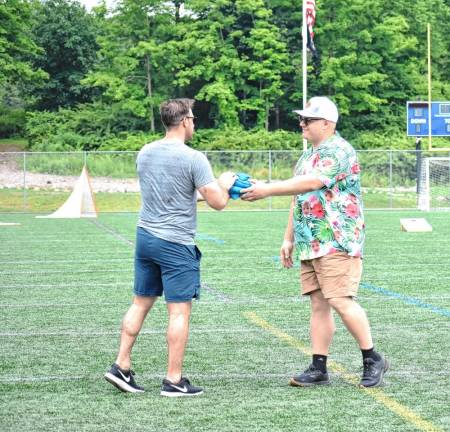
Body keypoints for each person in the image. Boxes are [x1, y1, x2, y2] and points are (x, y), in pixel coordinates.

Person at [241, 96, 388, 388]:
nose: (302, 123)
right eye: (302, 119)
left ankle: (373, 359)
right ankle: (318, 367)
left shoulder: (340, 151)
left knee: (339, 299)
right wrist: (288, 238)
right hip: (312, 241)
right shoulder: (308, 155)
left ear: (327, 123)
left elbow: (313, 183)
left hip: (336, 239)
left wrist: (267, 189)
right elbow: (299, 197)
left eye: (308, 119)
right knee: (318, 303)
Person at [105, 98, 236, 397]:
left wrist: (206, 189)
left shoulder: (145, 152)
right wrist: (224, 183)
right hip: (175, 243)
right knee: (179, 312)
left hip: (145, 237)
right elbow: (218, 202)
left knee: (140, 302)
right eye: (193, 119)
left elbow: (174, 193)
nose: (195, 124)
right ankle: (174, 380)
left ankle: (121, 365)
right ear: (185, 120)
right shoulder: (194, 158)